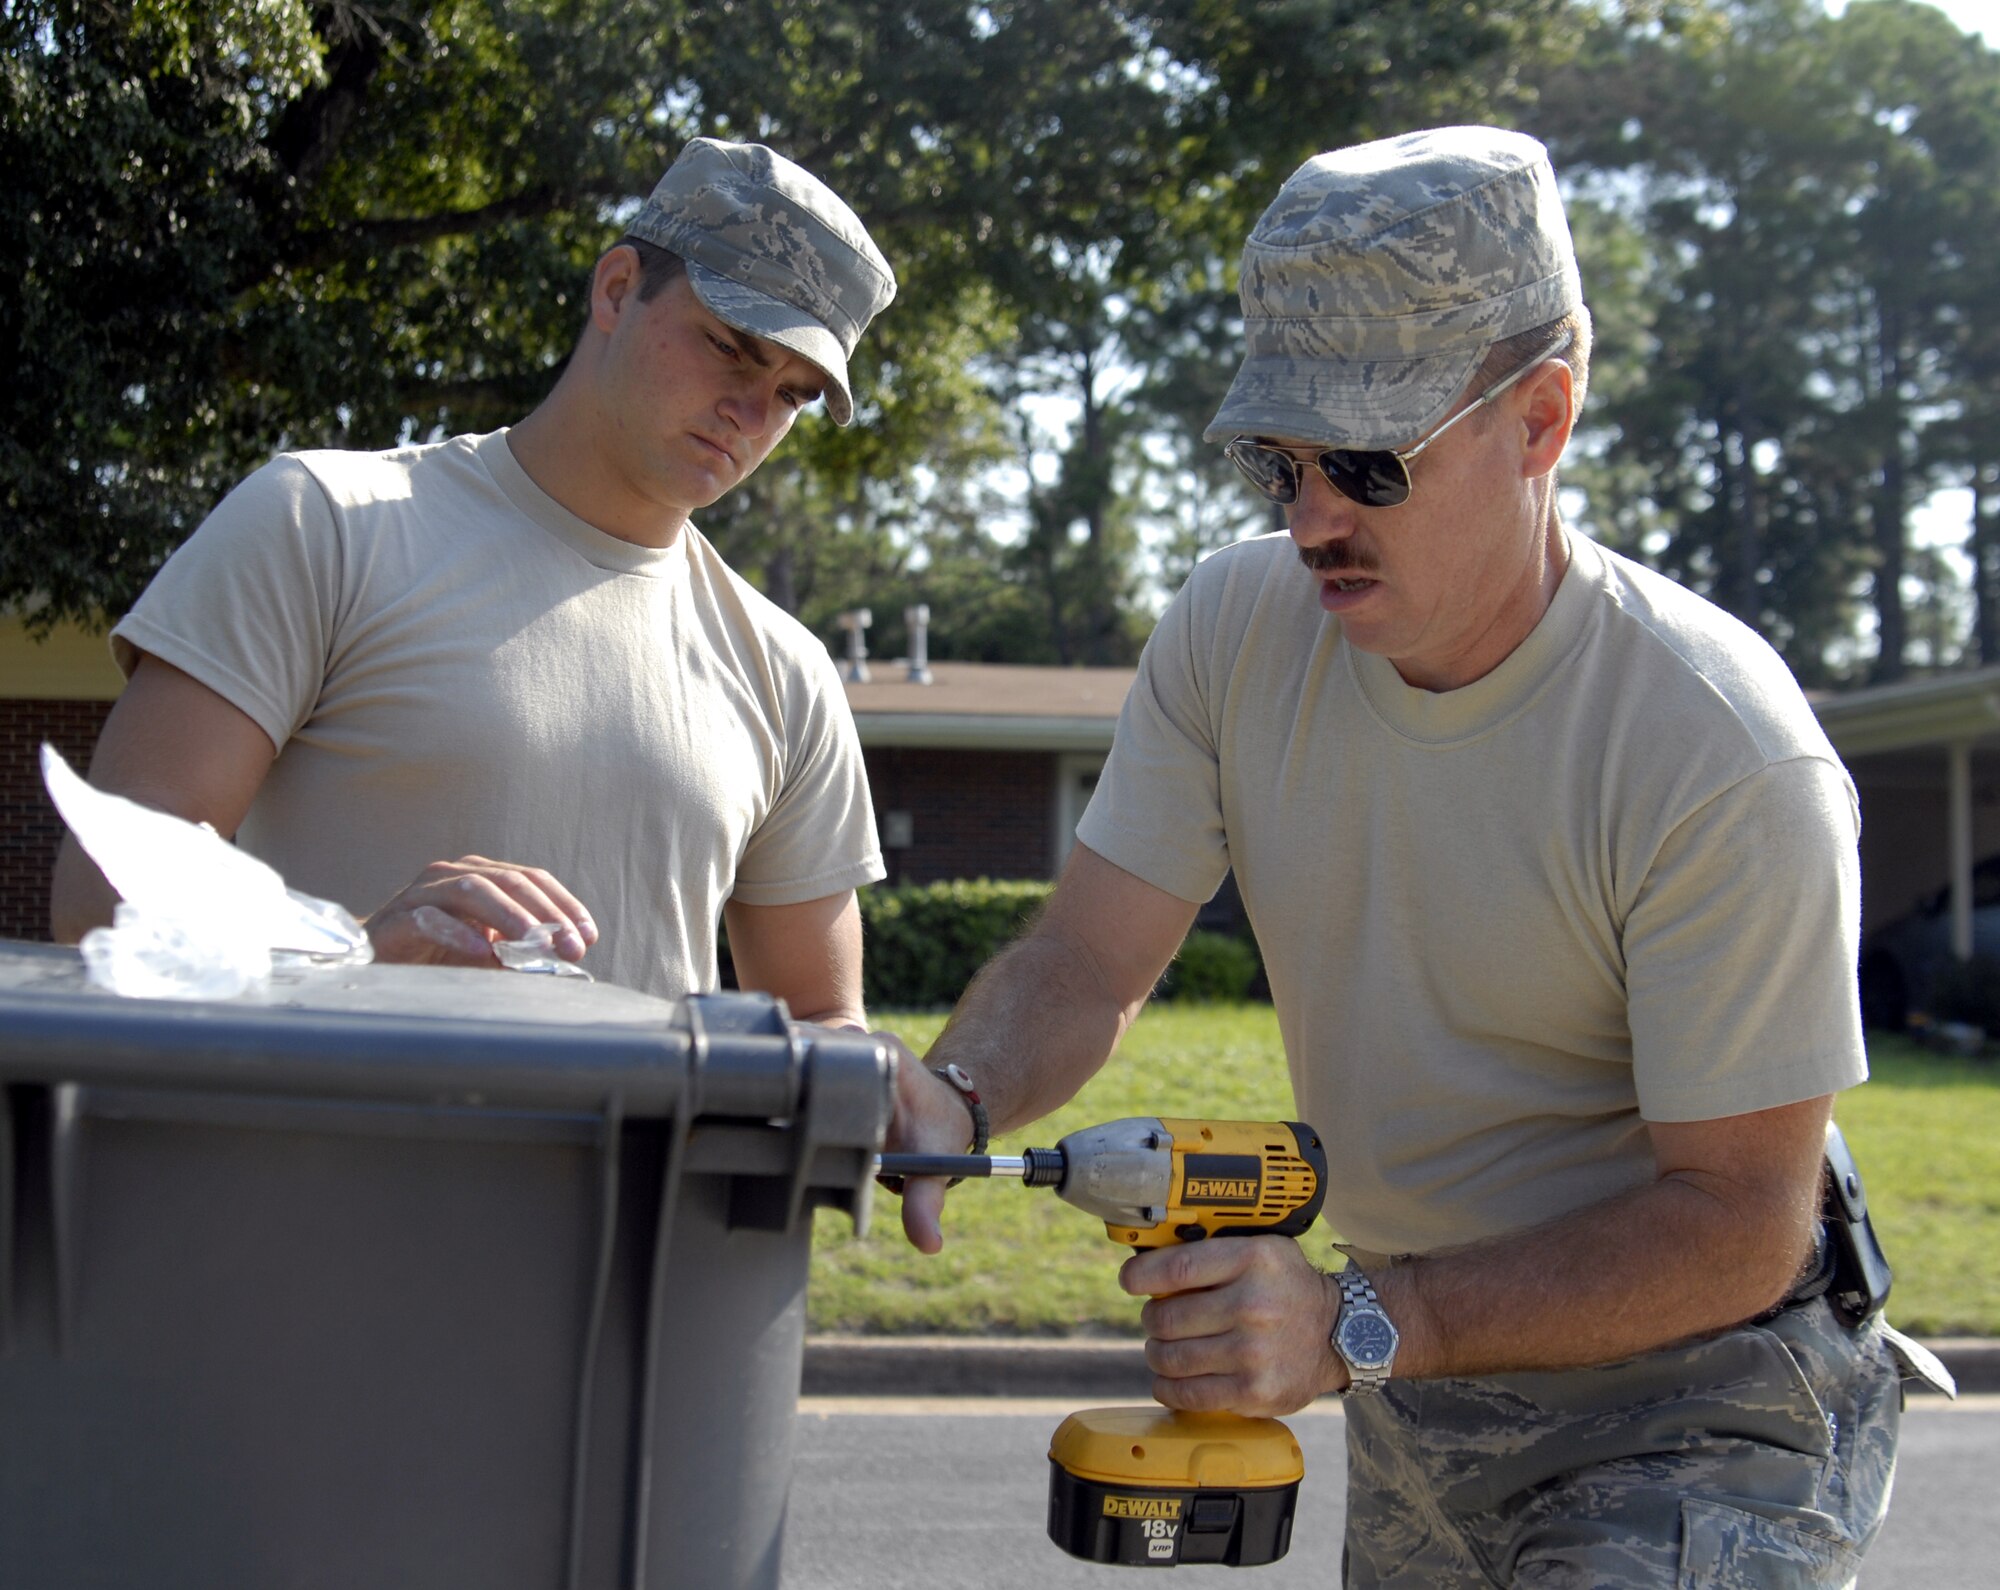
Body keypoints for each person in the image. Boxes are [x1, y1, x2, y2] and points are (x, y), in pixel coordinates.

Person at [885, 126, 1948, 1585]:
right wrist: (961, 1090)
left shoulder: (1715, 749)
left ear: (1542, 418)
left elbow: (1738, 1225)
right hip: (1414, 1378)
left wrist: (1359, 1322)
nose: (1315, 516)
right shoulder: (1232, 633)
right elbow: (1083, 956)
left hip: (1697, 1402)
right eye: (1281, 460)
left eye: (1370, 462)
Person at [50, 138, 896, 1021]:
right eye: (729, 347)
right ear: (615, 290)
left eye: (795, 395)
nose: (753, 414)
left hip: (633, 1166)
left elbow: (820, 1029)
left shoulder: (786, 674)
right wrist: (356, 957)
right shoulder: (324, 523)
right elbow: (97, 905)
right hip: (315, 1159)